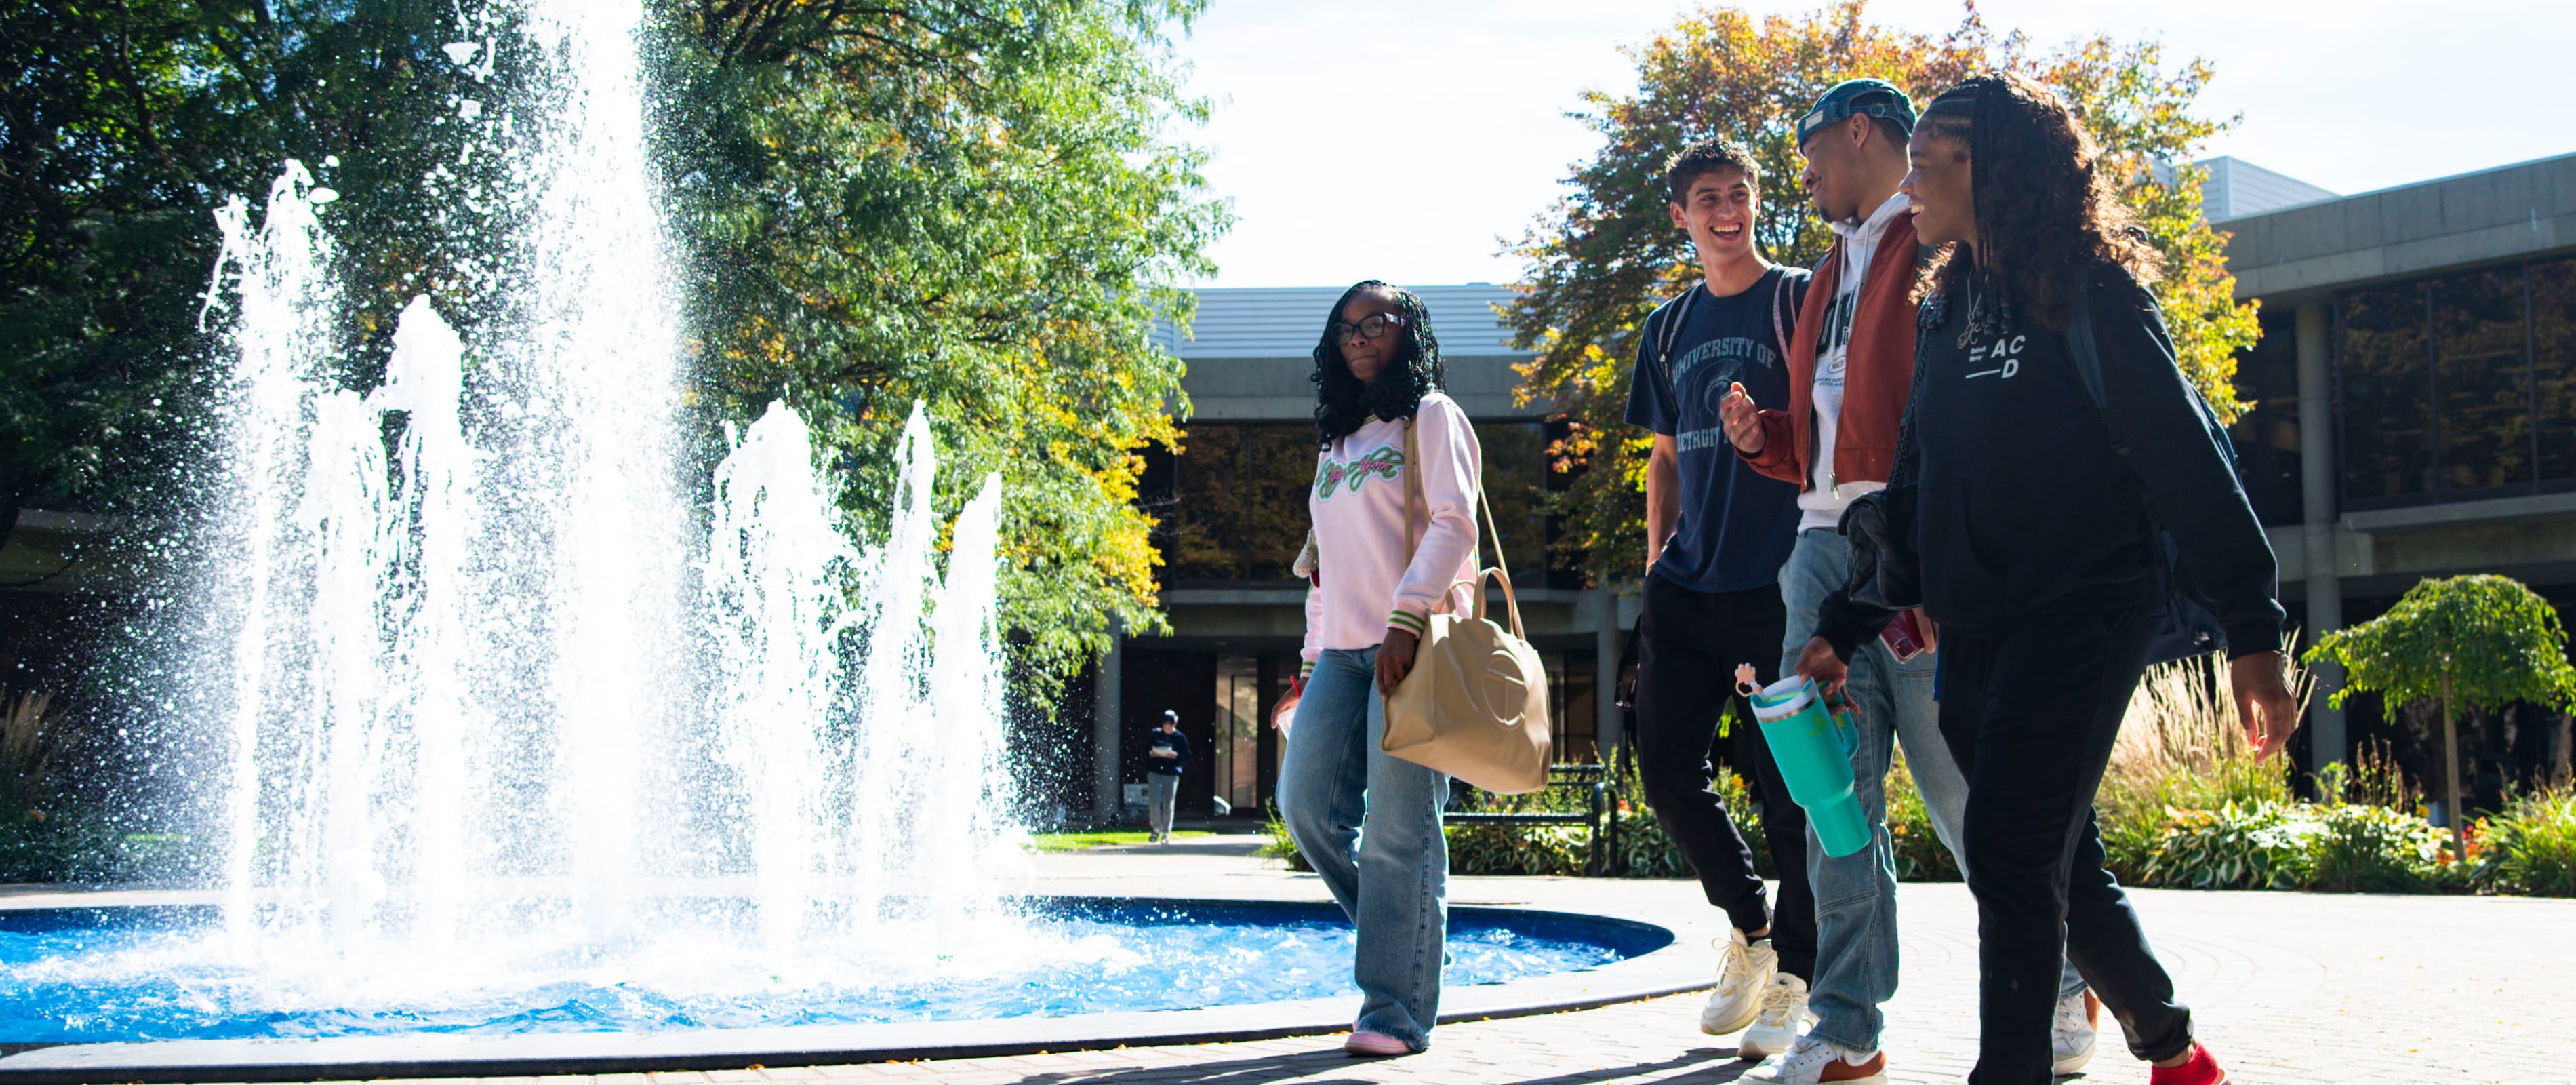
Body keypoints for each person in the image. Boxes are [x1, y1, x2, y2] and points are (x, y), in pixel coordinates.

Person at [1798, 72, 2298, 1085]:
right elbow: (1921, 483)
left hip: (2084, 612)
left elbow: (2187, 460)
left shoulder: (2089, 292)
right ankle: (2171, 1047)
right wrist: (1846, 619)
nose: (1914, 186)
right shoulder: (1945, 309)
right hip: (1980, 630)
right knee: (2058, 856)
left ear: (1991, 170)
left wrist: (2253, 631)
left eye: (1931, 164)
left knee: (2011, 848)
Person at [1716, 79, 2093, 1085]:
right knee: (1831, 805)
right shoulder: (1823, 274)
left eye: (1808, 148)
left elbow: (1948, 407)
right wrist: (1770, 440)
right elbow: (1828, 434)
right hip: (1818, 546)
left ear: (1857, 132)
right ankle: (1848, 1026)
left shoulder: (1932, 242)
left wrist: (1930, 543)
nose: (1798, 172)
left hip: (1916, 550)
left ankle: (2061, 984)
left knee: (1962, 788)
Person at [1619, 138, 1816, 1061]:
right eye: (1708, 198)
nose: (1728, 211)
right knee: (1666, 774)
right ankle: (1751, 926)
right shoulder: (1666, 327)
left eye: (1741, 194)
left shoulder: (1797, 299)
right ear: (1681, 216)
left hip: (1778, 585)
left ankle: (1799, 980)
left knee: (1790, 795)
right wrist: (1658, 560)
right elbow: (1662, 457)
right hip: (1687, 590)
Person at [1268, 280, 1479, 1058]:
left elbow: (1455, 522)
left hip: (1413, 646)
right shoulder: (1336, 440)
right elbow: (1325, 566)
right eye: (1346, 327)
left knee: (1398, 835)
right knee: (1304, 806)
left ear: (1407, 331)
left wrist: (1407, 615)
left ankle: (1393, 1008)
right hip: (1342, 656)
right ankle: (1413, 939)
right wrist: (1309, 664)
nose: (1359, 337)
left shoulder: (1430, 416)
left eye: (1376, 323)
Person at [1145, 709, 1192, 844]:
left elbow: (1187, 755)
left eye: (1170, 723)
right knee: (1154, 801)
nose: (1168, 726)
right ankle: (1156, 829)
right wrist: (1151, 754)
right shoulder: (1155, 734)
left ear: (1175, 723)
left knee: (1168, 803)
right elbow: (1145, 751)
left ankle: (1166, 833)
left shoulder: (1179, 738)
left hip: (1171, 774)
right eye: (1166, 723)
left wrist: (1177, 756)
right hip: (1155, 772)